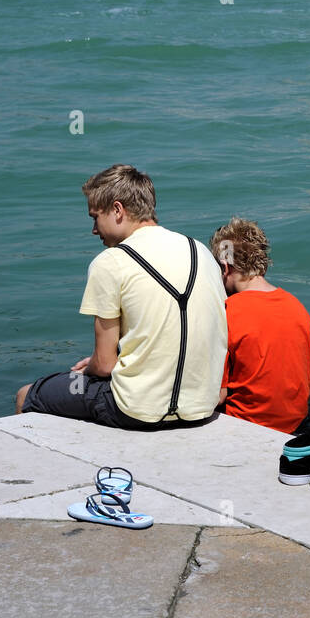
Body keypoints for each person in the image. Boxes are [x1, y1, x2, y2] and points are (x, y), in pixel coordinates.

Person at [16, 165, 227, 429]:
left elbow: (104, 366)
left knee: (29, 394)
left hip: (135, 410)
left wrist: (89, 367)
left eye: (95, 217)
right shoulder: (201, 252)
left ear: (117, 210)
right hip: (201, 406)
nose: (94, 229)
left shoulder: (110, 262)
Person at [209, 216, 310, 434]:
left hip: (247, 427)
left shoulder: (228, 312)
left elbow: (218, 396)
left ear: (225, 267)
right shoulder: (297, 307)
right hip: (295, 422)